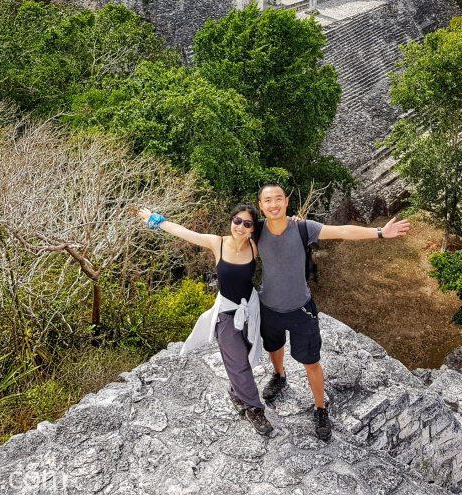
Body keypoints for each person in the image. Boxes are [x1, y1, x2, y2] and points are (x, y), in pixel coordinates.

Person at [255, 183, 411, 441]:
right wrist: (165, 225)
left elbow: (343, 231)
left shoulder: (303, 228)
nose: (273, 204)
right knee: (274, 346)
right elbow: (224, 240)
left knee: (311, 361)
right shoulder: (257, 231)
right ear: (261, 206)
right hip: (269, 306)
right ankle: (279, 375)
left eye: (278, 199)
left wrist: (381, 232)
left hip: (300, 308)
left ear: (287, 202)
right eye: (268, 200)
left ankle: (320, 407)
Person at [137, 204, 273, 435]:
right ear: (232, 221)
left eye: (247, 223)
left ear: (253, 229)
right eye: (237, 221)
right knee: (237, 361)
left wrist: (297, 223)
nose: (240, 227)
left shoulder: (254, 247)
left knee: (249, 352)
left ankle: (236, 391)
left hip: (249, 308)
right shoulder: (217, 243)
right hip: (226, 312)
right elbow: (185, 233)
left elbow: (279, 231)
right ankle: (254, 408)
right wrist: (155, 219)